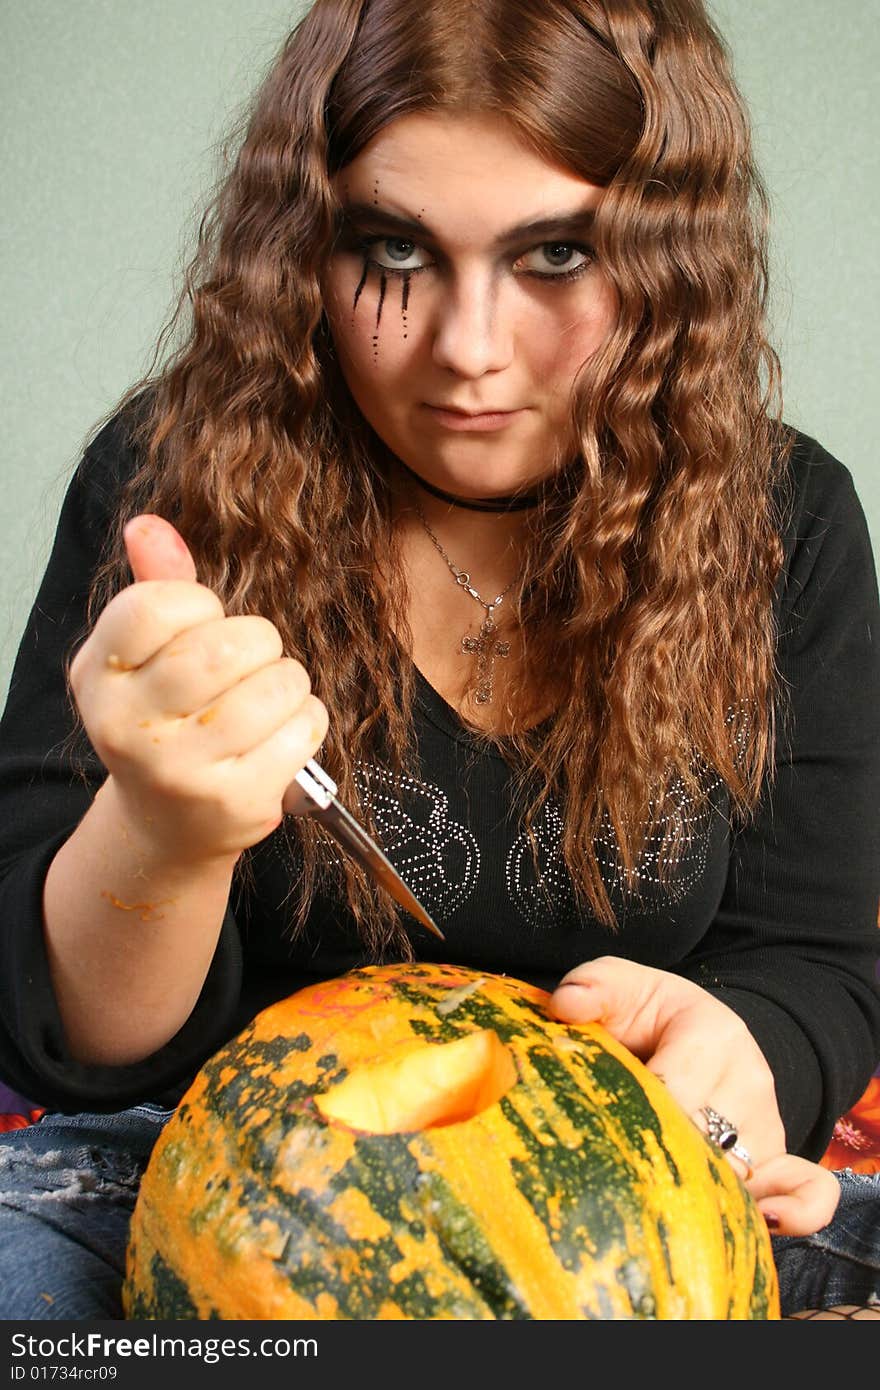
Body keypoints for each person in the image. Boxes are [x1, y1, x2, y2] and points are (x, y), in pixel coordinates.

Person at [0, 0, 878, 1322]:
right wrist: (162, 831)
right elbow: (73, 1049)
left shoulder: (785, 523)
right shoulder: (169, 487)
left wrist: (744, 1058)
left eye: (556, 255)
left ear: (668, 260)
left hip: (627, 1197)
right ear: (304, 249)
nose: (470, 348)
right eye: (393, 250)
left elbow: (816, 956)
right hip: (223, 1188)